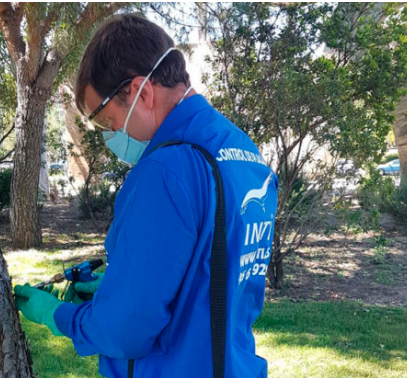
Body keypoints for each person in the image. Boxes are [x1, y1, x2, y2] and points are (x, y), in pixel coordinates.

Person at [14, 15, 278, 378]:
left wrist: (57, 315)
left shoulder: (167, 168)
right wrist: (117, 287)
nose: (112, 136)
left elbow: (125, 329)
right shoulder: (241, 150)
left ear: (142, 91)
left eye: (109, 121)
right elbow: (211, 277)